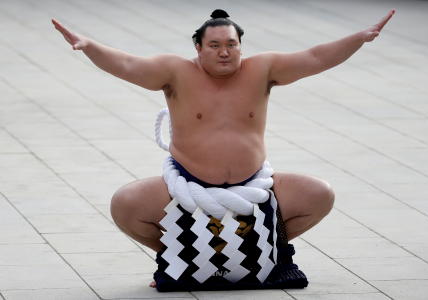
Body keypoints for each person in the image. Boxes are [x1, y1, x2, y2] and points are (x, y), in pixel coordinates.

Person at [52, 8, 395, 290]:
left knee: (321, 194)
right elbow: (127, 64)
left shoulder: (262, 69)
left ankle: (270, 253)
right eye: (214, 45)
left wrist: (358, 39)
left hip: (254, 190)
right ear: (198, 48)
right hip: (188, 189)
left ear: (241, 46)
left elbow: (315, 56)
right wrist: (89, 46)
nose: (224, 51)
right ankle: (175, 256)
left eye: (231, 44)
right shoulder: (175, 72)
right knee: (124, 205)